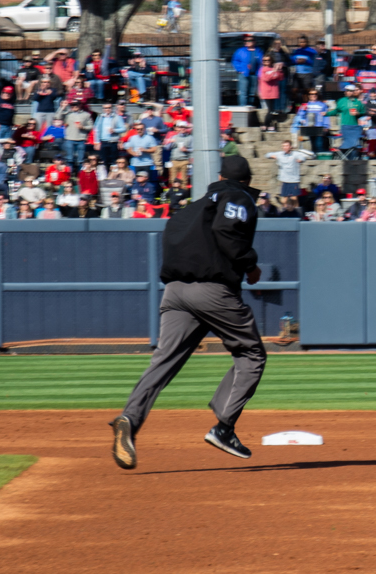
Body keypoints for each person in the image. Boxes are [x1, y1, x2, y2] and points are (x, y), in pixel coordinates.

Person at [109, 155, 267, 470]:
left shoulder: (191, 208)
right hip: (213, 291)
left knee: (163, 361)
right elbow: (227, 229)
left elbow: (172, 238)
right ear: (246, 181)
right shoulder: (238, 197)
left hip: (175, 292)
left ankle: (130, 417)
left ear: (219, 177)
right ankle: (224, 428)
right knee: (251, 354)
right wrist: (250, 264)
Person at [231, 34, 262, 107]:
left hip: (254, 75)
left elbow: (261, 63)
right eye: (246, 41)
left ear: (254, 41)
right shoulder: (240, 51)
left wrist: (260, 73)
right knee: (243, 93)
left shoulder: (259, 51)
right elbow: (235, 61)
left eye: (249, 40)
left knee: (252, 93)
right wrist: (240, 70)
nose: (247, 42)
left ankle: (250, 107)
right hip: (244, 74)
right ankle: (243, 107)